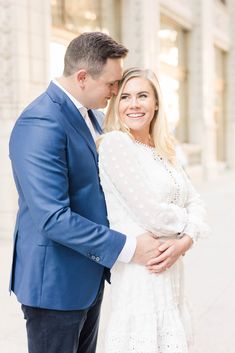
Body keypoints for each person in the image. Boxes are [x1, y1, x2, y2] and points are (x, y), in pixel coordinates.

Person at [9, 34, 162, 353]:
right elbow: (52, 217)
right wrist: (130, 247)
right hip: (55, 286)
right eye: (112, 83)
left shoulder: (91, 115)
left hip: (87, 275)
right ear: (82, 77)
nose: (116, 92)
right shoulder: (41, 121)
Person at [98, 67, 209, 353]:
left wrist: (185, 240)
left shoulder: (164, 149)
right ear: (116, 104)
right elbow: (153, 216)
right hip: (142, 275)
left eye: (142, 96)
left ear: (156, 103)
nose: (133, 104)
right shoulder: (116, 144)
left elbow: (196, 200)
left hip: (171, 272)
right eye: (125, 97)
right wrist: (188, 226)